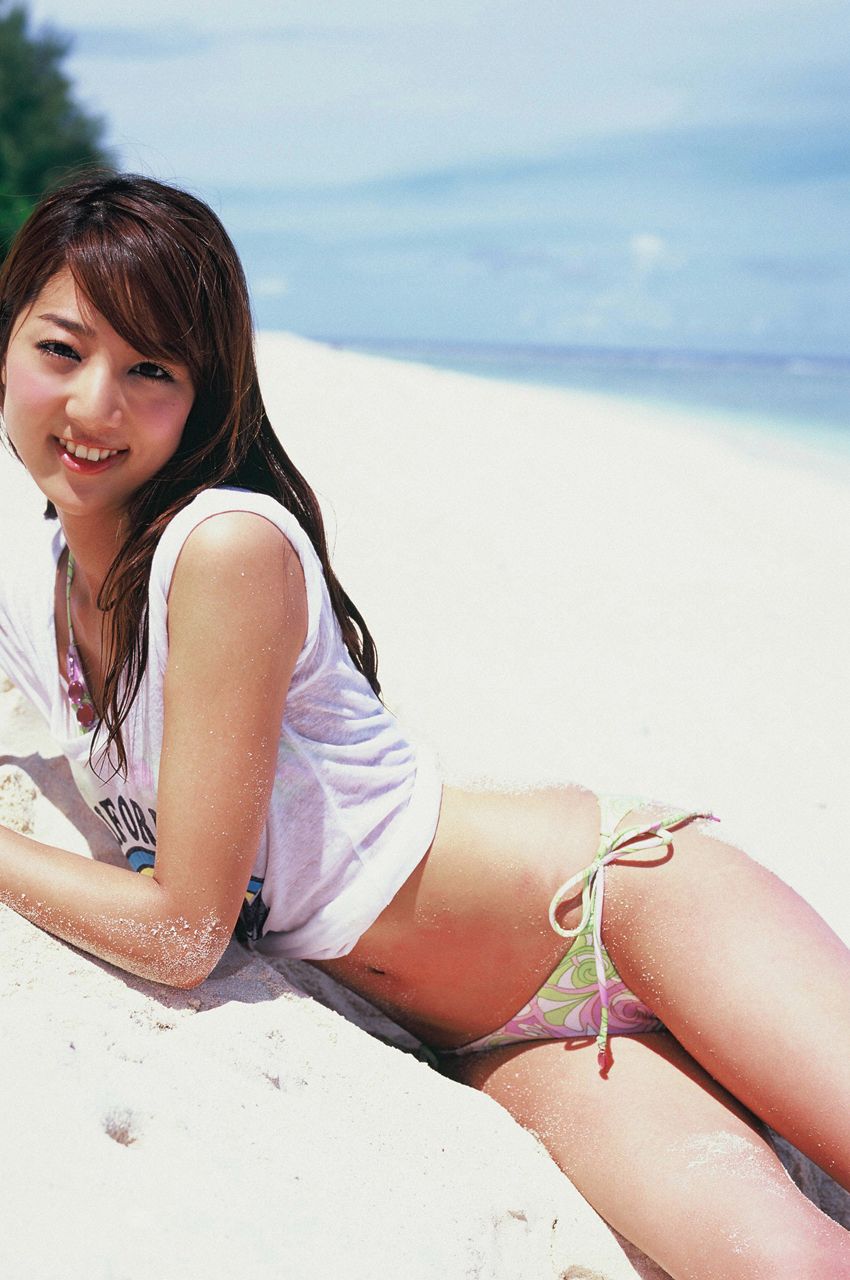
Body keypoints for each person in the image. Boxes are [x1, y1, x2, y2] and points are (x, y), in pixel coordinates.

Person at [0, 172, 847, 1280]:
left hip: (621, 908)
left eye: (150, 368)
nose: (94, 404)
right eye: (61, 350)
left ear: (203, 395)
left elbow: (184, 931)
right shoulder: (38, 589)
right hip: (492, 1037)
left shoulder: (223, 549)